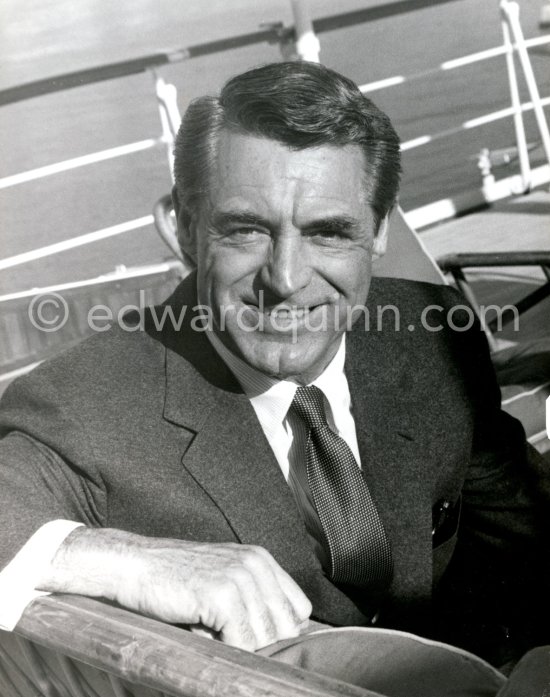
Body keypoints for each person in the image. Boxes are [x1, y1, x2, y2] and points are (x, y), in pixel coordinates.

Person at [0, 61, 548, 685]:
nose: (286, 280)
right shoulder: (85, 404)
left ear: (379, 230)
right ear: (185, 225)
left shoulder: (429, 334)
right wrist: (128, 560)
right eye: (246, 230)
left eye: (330, 233)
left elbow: (526, 528)